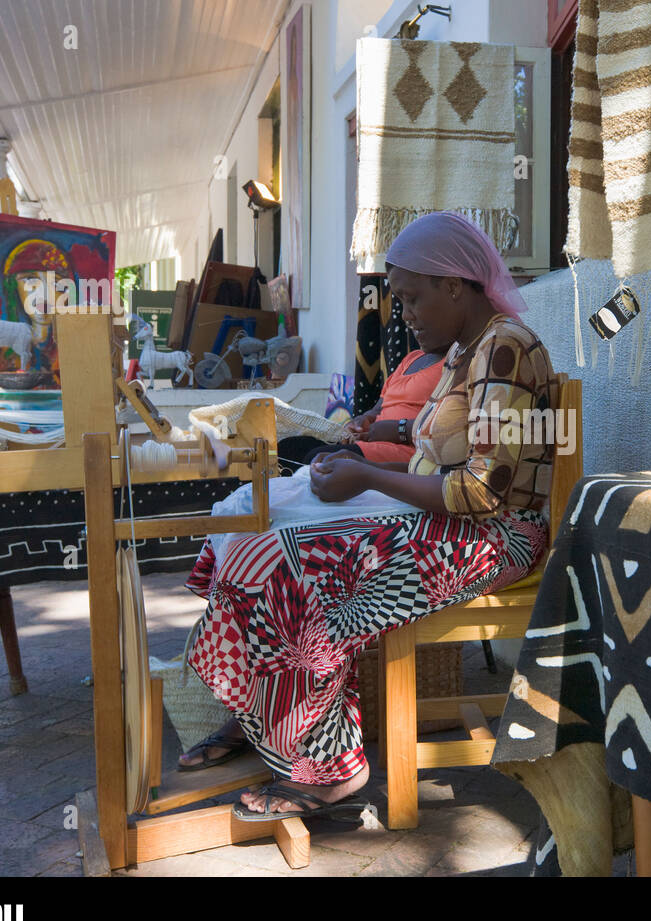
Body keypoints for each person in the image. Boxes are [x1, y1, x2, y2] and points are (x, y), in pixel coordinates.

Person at [178, 212, 558, 821]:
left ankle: (329, 767)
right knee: (253, 528)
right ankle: (266, 709)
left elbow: (486, 490)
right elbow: (450, 436)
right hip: (452, 521)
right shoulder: (468, 350)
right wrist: (387, 435)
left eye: (412, 297)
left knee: (294, 559)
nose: (404, 313)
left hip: (496, 537)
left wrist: (371, 477)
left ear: (455, 285)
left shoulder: (507, 348)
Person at [275, 338, 446, 473]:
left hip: (405, 452)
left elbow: (447, 428)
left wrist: (398, 430)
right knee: (287, 448)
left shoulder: (457, 366)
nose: (407, 315)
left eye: (415, 301)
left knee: (319, 461)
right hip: (371, 441)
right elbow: (378, 408)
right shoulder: (412, 358)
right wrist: (363, 420)